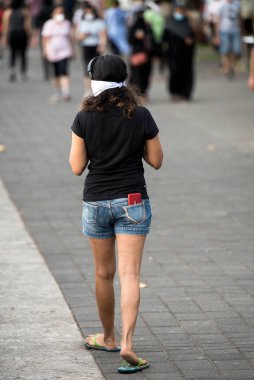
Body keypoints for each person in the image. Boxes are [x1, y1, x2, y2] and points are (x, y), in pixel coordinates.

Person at [69, 54, 163, 374]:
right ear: (125, 80)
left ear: (93, 80)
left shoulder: (83, 118)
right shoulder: (141, 114)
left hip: (96, 202)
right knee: (130, 275)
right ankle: (128, 344)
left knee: (102, 274)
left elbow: (76, 167)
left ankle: (108, 337)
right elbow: (156, 160)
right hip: (133, 199)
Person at [41, 4, 74, 103]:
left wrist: (72, 50)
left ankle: (66, 92)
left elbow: (70, 38)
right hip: (52, 51)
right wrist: (45, 50)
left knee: (64, 70)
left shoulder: (67, 23)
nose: (60, 14)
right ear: (53, 13)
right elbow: (45, 38)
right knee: (55, 73)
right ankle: (57, 91)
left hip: (64, 51)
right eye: (58, 12)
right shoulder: (48, 24)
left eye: (61, 12)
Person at [165, 0, 195, 102]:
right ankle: (175, 93)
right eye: (178, 9)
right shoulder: (170, 23)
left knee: (186, 74)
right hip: (173, 55)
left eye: (182, 9)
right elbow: (164, 39)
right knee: (174, 73)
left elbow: (192, 36)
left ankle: (185, 94)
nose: (180, 11)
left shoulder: (187, 22)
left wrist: (190, 41)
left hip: (186, 55)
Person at [75, 1, 106, 97]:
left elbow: (102, 35)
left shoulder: (99, 22)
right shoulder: (82, 23)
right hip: (86, 47)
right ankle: (87, 90)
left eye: (90, 11)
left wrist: (102, 46)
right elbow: (78, 37)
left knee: (97, 69)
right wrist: (83, 36)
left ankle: (97, 90)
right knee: (86, 69)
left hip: (96, 47)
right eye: (86, 11)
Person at [1, 0, 32, 81]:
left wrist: (4, 38)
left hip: (12, 34)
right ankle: (23, 72)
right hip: (22, 33)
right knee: (23, 54)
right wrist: (30, 36)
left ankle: (12, 70)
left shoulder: (7, 12)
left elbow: (6, 26)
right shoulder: (25, 12)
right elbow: (27, 26)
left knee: (12, 53)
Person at [128, 6, 154, 100]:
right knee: (136, 76)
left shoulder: (148, 27)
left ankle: (144, 93)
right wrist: (136, 37)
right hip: (137, 54)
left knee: (146, 75)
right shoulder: (134, 27)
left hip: (147, 55)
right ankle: (137, 94)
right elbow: (130, 41)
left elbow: (152, 41)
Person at [215, 0, 241, 78]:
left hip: (236, 31)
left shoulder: (237, 4)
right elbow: (218, 20)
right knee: (225, 51)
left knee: (237, 51)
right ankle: (226, 68)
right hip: (224, 31)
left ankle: (231, 65)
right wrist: (217, 35)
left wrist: (243, 31)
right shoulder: (221, 5)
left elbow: (240, 18)